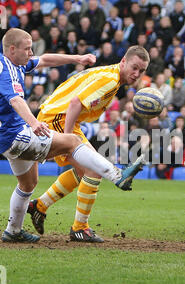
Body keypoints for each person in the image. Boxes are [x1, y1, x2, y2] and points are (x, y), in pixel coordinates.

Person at [0, 28, 145, 243]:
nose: (31, 52)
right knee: (77, 148)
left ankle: (15, 229)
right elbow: (16, 100)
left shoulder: (10, 62)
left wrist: (77, 58)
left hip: (9, 133)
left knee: (29, 184)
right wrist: (34, 124)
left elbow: (44, 60)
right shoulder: (8, 71)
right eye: (27, 48)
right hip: (19, 132)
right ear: (12, 49)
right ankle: (116, 177)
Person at [27, 45, 150, 242]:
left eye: (141, 71)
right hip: (58, 118)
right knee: (93, 170)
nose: (137, 74)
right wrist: (67, 140)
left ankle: (39, 206)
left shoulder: (111, 75)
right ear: (124, 62)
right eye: (134, 67)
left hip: (57, 115)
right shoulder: (110, 80)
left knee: (84, 171)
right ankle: (80, 228)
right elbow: (75, 103)